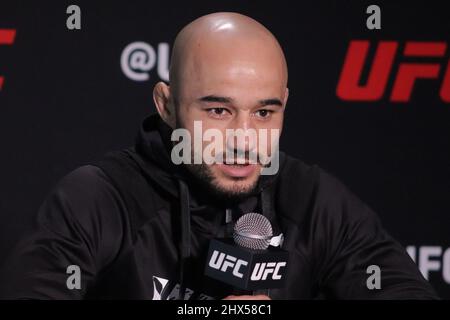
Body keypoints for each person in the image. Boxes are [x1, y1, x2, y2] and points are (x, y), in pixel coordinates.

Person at [0, 12, 438, 300]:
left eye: (264, 112)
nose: (244, 139)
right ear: (166, 104)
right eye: (218, 110)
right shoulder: (101, 197)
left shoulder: (312, 201)